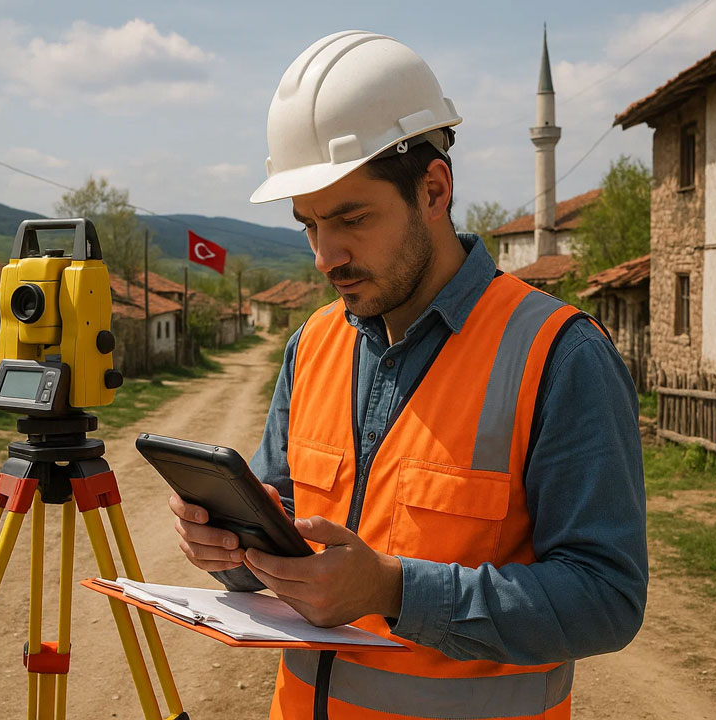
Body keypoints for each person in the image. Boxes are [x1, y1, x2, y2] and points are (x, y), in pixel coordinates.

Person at [169, 30, 647, 720]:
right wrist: (230, 550)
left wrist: (393, 591)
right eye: (308, 226)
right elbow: (282, 535)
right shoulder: (312, 344)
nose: (325, 256)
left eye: (351, 218)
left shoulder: (559, 355)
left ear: (434, 189)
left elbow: (607, 599)